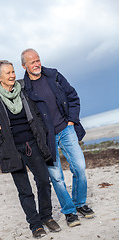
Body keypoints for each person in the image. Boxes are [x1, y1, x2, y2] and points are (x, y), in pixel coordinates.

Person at [0, 60, 61, 238]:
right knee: (25, 190)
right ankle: (35, 225)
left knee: (44, 182)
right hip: (12, 149)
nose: (12, 75)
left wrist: (43, 131)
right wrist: (0, 140)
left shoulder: (23, 90)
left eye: (13, 71)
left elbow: (37, 113)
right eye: (7, 73)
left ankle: (46, 216)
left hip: (33, 144)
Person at [21, 48, 95, 227]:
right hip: (46, 139)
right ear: (24, 66)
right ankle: (69, 212)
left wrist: (71, 120)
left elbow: (72, 96)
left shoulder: (53, 75)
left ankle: (80, 204)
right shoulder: (23, 89)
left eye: (38, 60)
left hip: (66, 129)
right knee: (57, 178)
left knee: (79, 167)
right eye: (32, 62)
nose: (37, 64)